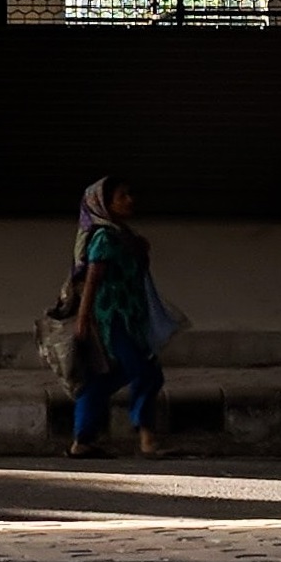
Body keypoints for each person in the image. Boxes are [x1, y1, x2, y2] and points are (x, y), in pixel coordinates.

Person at [69, 175, 167, 459]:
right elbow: (92, 280)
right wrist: (83, 320)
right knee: (147, 372)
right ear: (105, 204)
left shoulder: (124, 237)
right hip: (113, 318)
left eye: (129, 194)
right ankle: (147, 437)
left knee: (106, 379)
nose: (130, 200)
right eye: (122, 196)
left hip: (131, 318)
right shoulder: (105, 238)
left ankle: (82, 440)